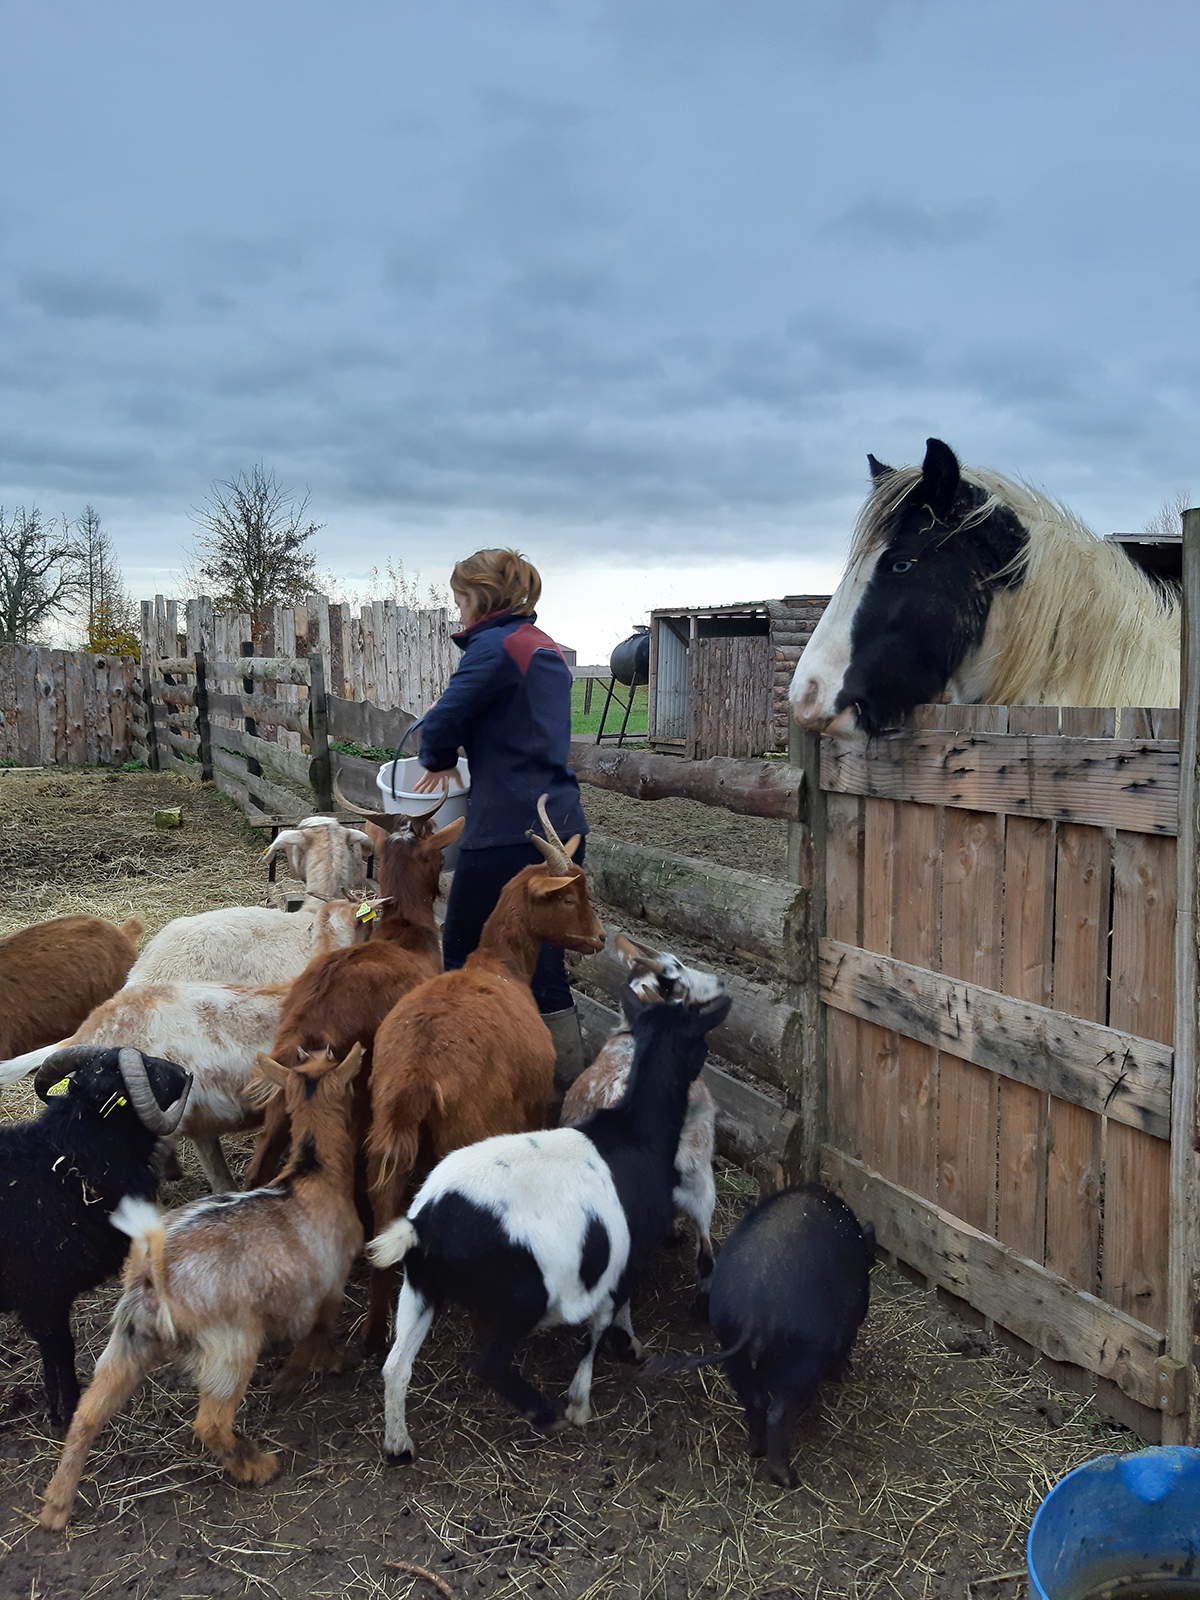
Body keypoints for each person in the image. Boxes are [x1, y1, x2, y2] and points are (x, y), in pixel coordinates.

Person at [412, 548, 590, 1087]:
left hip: (508, 830)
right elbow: (515, 722)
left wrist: (439, 759)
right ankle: (561, 1089)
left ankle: (464, 1082)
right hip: (560, 823)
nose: (459, 610)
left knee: (465, 953)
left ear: (480, 597)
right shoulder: (541, 644)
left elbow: (440, 721)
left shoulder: (493, 646)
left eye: (460, 599)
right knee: (541, 960)